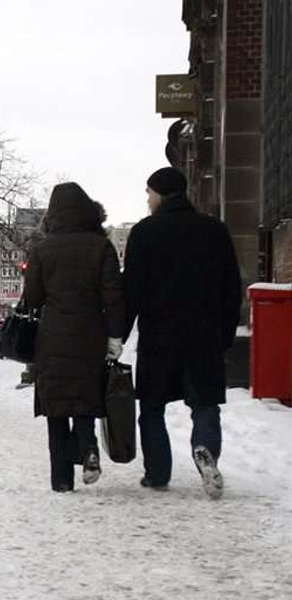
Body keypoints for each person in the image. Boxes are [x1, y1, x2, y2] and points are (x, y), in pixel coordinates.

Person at [124, 167, 241, 499]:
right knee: (204, 403)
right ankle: (204, 449)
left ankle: (157, 473)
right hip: (204, 335)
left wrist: (116, 332)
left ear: (160, 193)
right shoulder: (214, 231)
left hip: (159, 335)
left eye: (149, 193)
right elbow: (231, 287)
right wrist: (225, 334)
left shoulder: (144, 233)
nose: (148, 199)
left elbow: (131, 290)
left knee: (152, 406)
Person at [22, 182, 126, 493]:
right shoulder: (101, 247)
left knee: (57, 408)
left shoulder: (42, 249)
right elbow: (114, 296)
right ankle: (87, 449)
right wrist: (115, 336)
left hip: (52, 337)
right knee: (84, 398)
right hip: (90, 335)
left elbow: (32, 297)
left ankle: (62, 480)